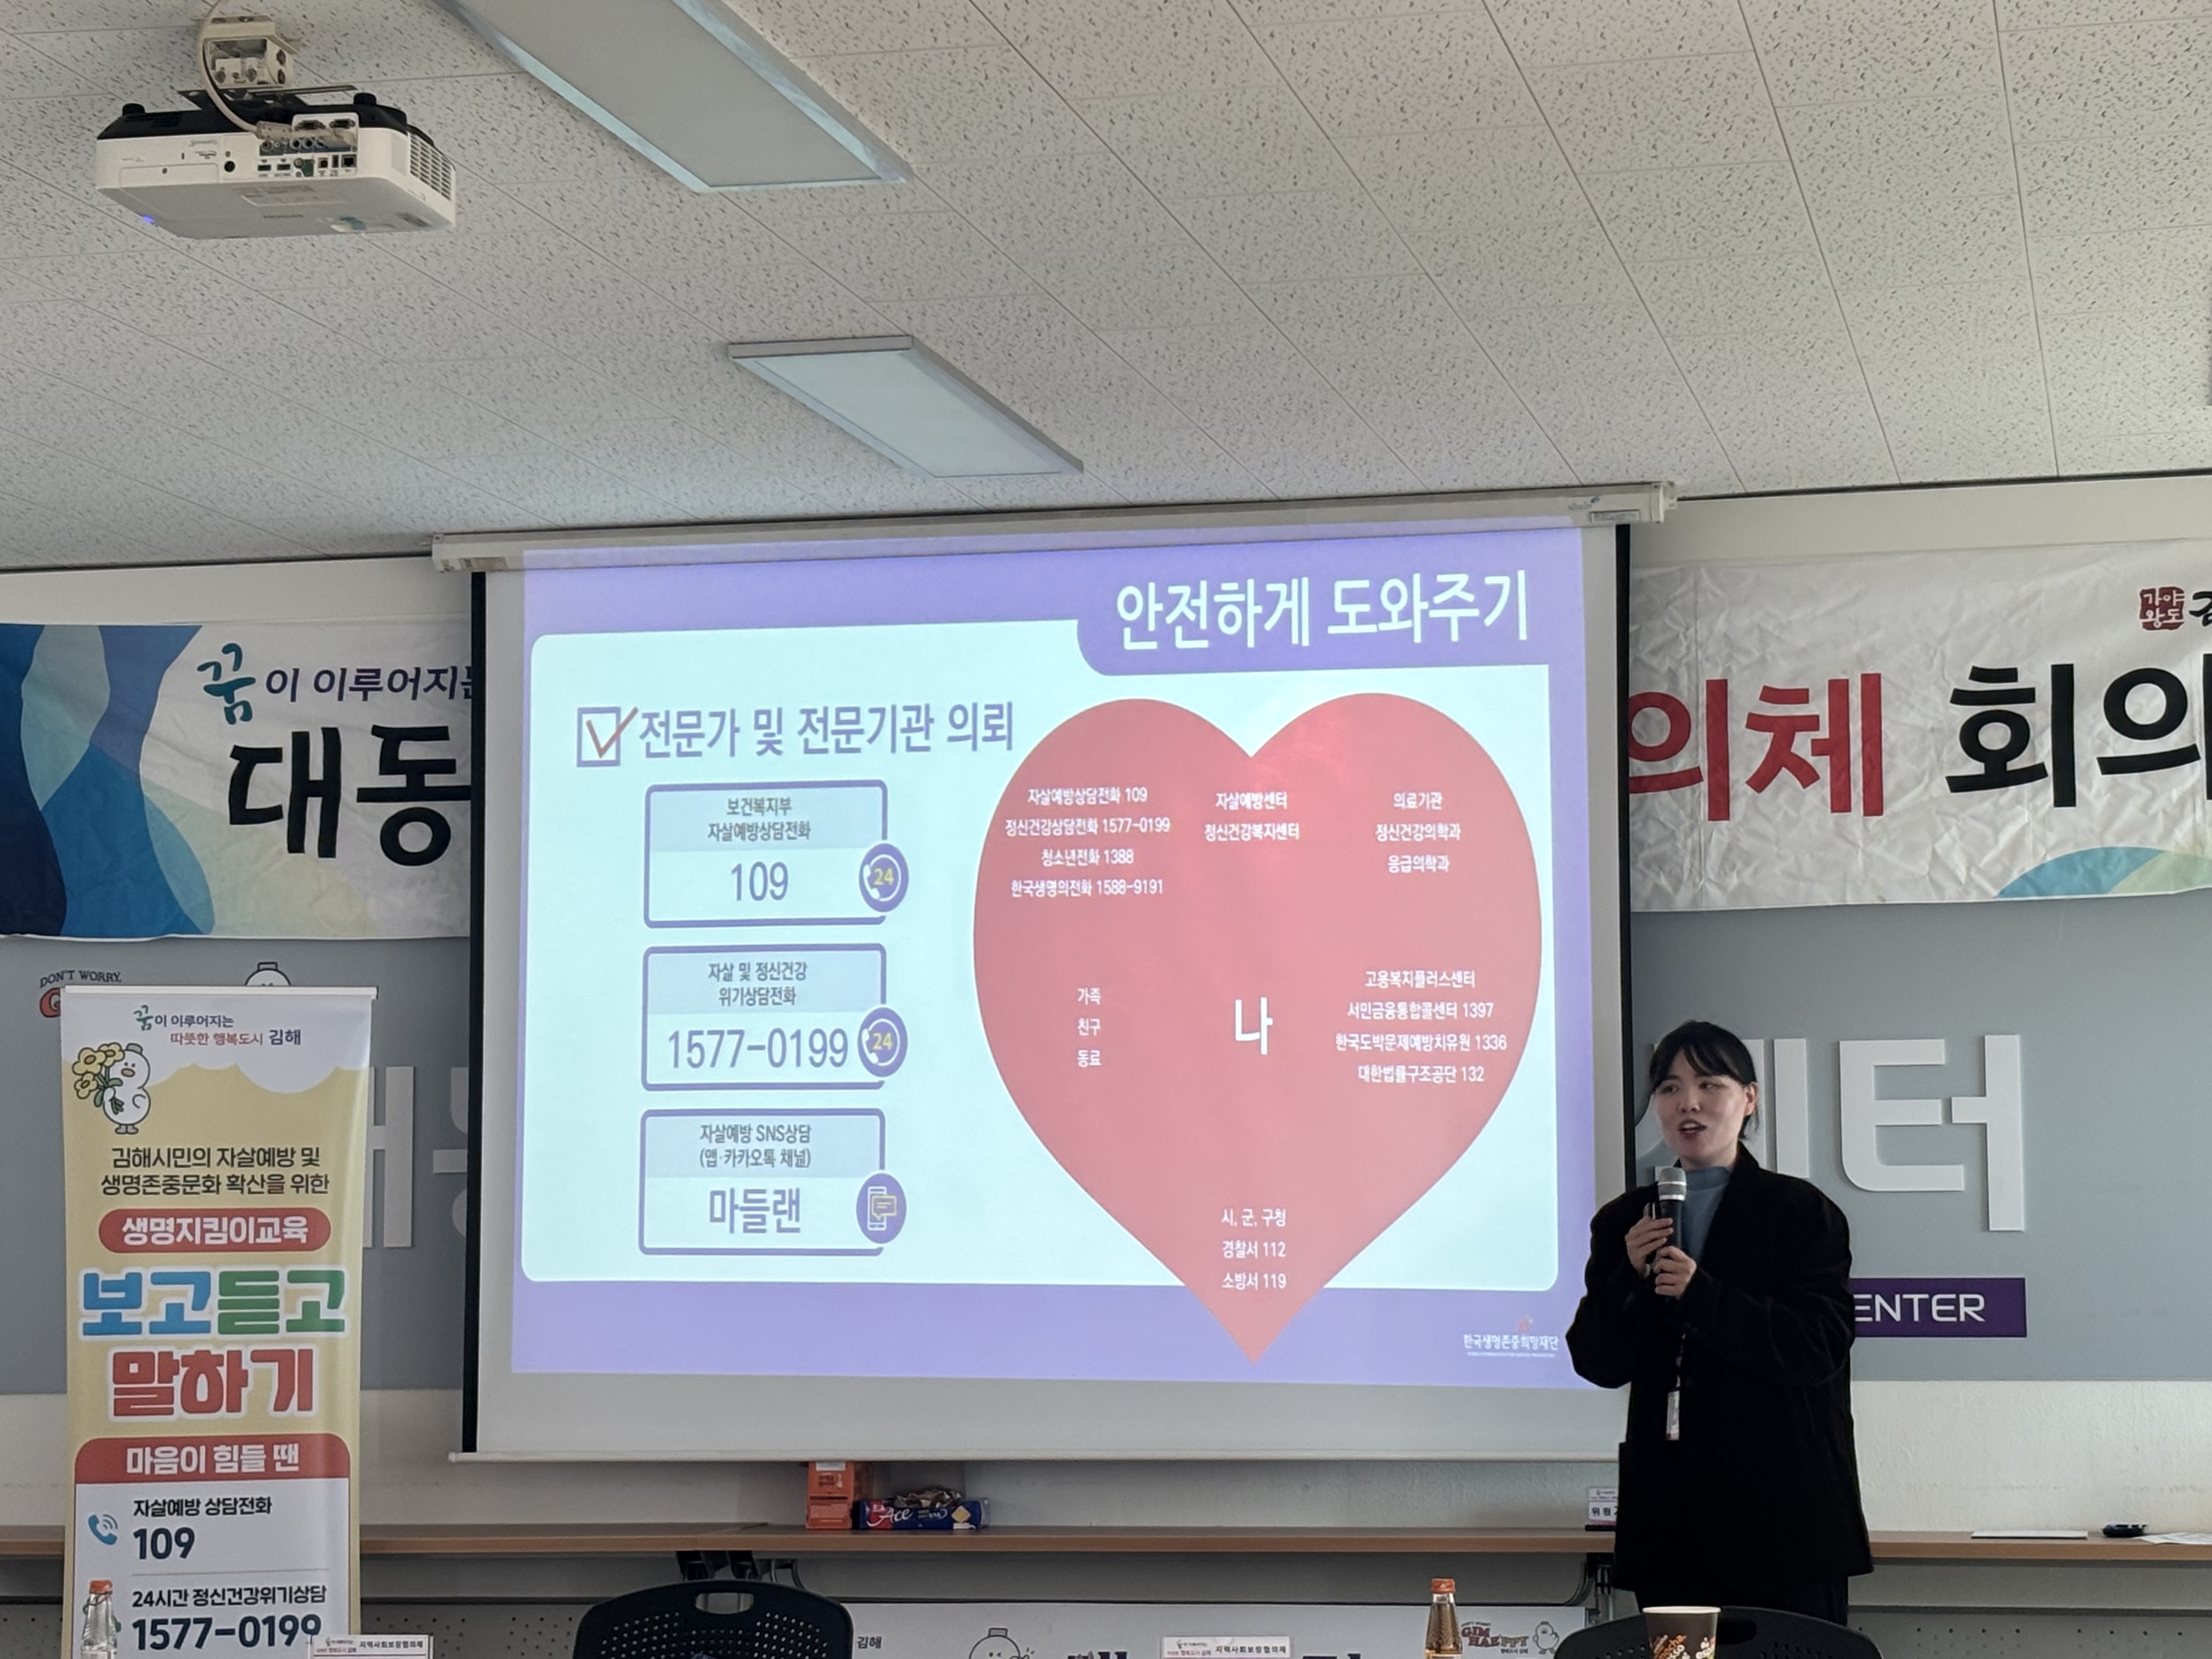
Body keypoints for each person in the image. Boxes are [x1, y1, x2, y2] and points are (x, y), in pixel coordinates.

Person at [1566, 1019, 1870, 1623]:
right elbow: (1598, 1360)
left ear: (1748, 1099)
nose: (1689, 1103)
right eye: (1670, 1088)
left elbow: (1817, 1345)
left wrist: (1702, 1294)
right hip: (1670, 1521)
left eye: (1710, 1084)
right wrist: (1629, 1276)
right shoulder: (1626, 1220)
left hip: (1785, 1518)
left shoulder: (1800, 1212)